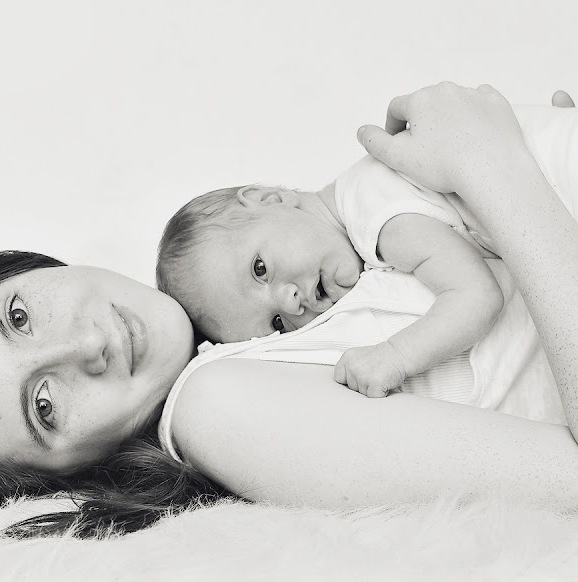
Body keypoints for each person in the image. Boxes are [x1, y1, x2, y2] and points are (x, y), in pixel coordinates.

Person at [0, 84, 578, 540]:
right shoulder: (221, 409)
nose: (86, 345)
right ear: (69, 471)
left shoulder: (251, 292)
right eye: (44, 405)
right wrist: (495, 164)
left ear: (33, 269)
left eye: (19, 316)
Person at [155, 105, 578, 400]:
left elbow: (478, 296)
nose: (290, 301)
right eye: (276, 323)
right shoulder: (362, 207)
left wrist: (395, 357)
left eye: (259, 269)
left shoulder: (376, 213)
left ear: (269, 199)